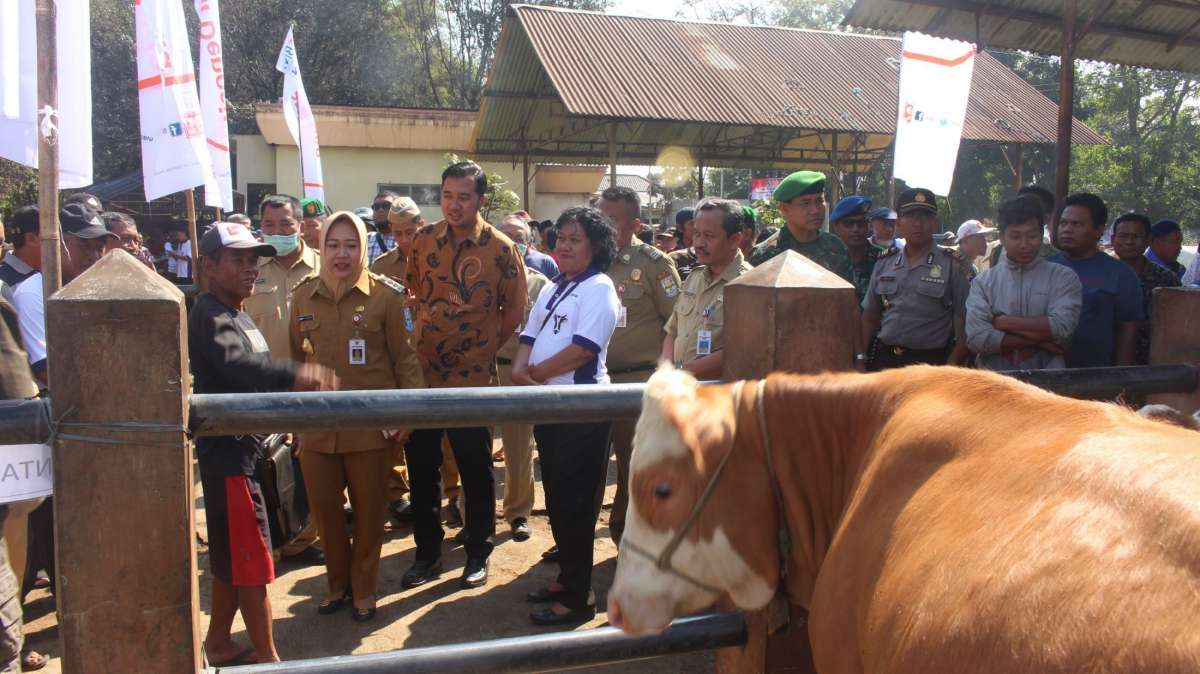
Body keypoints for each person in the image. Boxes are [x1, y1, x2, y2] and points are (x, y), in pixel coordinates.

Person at [189, 222, 336, 665]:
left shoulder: (234, 309)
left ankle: (218, 642)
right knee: (252, 564)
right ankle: (268, 658)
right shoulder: (210, 314)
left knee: (234, 558)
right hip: (229, 458)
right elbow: (239, 367)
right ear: (209, 266)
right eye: (238, 259)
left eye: (254, 259)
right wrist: (296, 376)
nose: (251, 268)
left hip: (245, 452)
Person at [289, 211, 424, 622]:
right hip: (318, 431)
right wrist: (296, 427)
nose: (341, 254)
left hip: (370, 429)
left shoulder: (387, 296)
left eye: (351, 245)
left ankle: (364, 589)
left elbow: (407, 362)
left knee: (369, 513)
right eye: (333, 244)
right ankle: (336, 586)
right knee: (326, 513)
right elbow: (295, 365)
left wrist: (409, 414)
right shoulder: (302, 296)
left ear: (363, 248)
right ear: (322, 247)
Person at [402, 161, 527, 590]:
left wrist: (484, 346)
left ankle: (478, 552)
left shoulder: (501, 248)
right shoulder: (422, 240)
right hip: (423, 375)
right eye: (447, 195)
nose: (454, 205)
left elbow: (513, 311)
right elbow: (415, 292)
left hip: (473, 378)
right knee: (421, 468)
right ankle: (426, 555)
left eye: (464, 197)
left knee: (475, 470)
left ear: (480, 200)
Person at [512, 206, 620, 626]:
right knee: (556, 497)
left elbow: (583, 349)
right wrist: (522, 368)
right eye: (561, 238)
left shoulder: (599, 287)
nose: (565, 246)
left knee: (577, 503)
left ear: (595, 247)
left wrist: (533, 373)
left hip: (583, 410)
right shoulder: (556, 285)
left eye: (576, 239)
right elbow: (529, 334)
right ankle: (566, 579)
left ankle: (579, 598)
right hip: (551, 406)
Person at [596, 185, 680, 546]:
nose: (602, 225)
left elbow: (676, 323)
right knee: (588, 466)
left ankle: (625, 538)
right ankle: (576, 539)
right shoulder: (587, 258)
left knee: (634, 468)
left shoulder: (653, 265)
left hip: (636, 384)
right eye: (599, 215)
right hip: (590, 383)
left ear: (635, 224)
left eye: (611, 219)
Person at [242, 194, 324, 563]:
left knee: (310, 467)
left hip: (312, 386)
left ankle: (305, 537)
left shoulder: (323, 266)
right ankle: (270, 537)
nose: (278, 232)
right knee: (265, 466)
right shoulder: (249, 268)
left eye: (285, 225)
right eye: (269, 225)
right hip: (263, 389)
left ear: (300, 226)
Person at [859, 188, 972, 370]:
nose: (918, 223)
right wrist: (860, 358)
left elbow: (970, 323)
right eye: (910, 216)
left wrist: (950, 367)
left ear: (935, 222)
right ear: (899, 223)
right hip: (884, 360)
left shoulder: (953, 264)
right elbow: (870, 316)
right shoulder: (885, 261)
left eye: (925, 216)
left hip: (930, 363)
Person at [965, 195, 1082, 371]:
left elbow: (1062, 327)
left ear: (1041, 234)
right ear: (1002, 238)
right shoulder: (983, 282)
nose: (1024, 244)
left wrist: (1003, 322)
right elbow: (977, 339)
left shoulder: (1063, 277)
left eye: (1032, 235)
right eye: (1015, 236)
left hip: (1049, 384)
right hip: (995, 383)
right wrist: (1046, 341)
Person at [14, 203, 117, 387]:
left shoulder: (102, 289)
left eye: (99, 247)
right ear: (57, 243)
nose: (93, 255)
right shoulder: (33, 291)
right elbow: (49, 372)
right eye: (83, 245)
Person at [493, 249, 550, 542]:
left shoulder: (540, 284)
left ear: (529, 247)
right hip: (484, 371)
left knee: (518, 448)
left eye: (520, 239)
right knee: (473, 444)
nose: (513, 246)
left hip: (519, 374)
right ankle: (469, 514)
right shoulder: (482, 275)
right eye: (508, 239)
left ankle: (518, 513)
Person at [1047, 193, 1142, 368]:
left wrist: (1121, 377)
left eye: (1077, 224)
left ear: (1098, 230)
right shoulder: (1044, 268)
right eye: (1063, 223)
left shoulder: (1121, 275)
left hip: (1095, 376)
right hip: (1046, 372)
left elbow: (1127, 329)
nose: (1067, 229)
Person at [663, 198, 753, 379]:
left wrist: (680, 373)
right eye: (696, 234)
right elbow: (672, 331)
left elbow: (742, 351)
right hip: (679, 387)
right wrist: (665, 370)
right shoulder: (694, 277)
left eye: (709, 236)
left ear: (735, 239)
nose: (699, 243)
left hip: (715, 395)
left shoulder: (749, 284)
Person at [749, 170, 854, 283]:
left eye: (820, 200)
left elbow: (847, 296)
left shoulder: (836, 247)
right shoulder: (765, 255)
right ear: (785, 208)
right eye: (805, 203)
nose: (815, 210)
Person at [1111, 212, 1181, 365]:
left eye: (1136, 236)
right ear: (1112, 239)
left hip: (1152, 363)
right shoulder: (1101, 274)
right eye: (1123, 236)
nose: (1129, 241)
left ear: (1148, 240)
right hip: (1104, 363)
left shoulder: (1166, 279)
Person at [830, 195, 889, 302]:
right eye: (849, 223)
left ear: (868, 226)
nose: (856, 229)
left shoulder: (884, 259)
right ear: (836, 227)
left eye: (862, 223)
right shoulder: (825, 259)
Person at [0, 207, 40, 305]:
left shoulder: (46, 273)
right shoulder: (4, 286)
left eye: (1, 242)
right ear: (31, 239)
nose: (60, 243)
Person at [502, 214, 559, 279]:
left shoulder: (545, 262)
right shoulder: (491, 262)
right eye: (507, 237)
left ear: (528, 241)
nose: (513, 243)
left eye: (519, 239)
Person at [366, 193, 400, 262]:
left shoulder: (405, 241)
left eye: (386, 206)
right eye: (376, 207)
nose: (380, 210)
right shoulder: (366, 239)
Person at [667, 208, 698, 280]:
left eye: (699, 223)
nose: (697, 227)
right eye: (692, 224)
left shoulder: (708, 253)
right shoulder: (672, 256)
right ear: (680, 227)